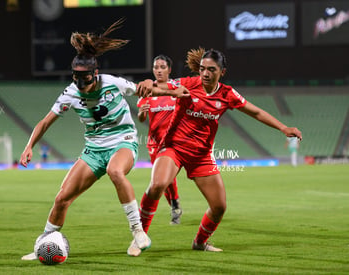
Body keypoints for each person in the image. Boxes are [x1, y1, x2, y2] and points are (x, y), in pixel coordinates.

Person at [19, 19, 164, 259]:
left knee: (115, 171)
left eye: (85, 78)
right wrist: (28, 146)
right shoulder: (70, 93)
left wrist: (171, 90)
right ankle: (42, 245)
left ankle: (138, 231)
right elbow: (45, 122)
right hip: (94, 149)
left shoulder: (112, 83)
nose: (81, 83)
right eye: (76, 77)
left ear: (95, 74)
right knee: (62, 198)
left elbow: (146, 89)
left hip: (123, 141)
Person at [136, 48, 302, 253]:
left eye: (211, 70)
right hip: (174, 147)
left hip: (201, 155)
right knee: (158, 184)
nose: (205, 73)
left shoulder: (227, 94)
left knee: (219, 206)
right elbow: (161, 85)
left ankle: (200, 243)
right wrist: (147, 84)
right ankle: (139, 237)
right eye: (202, 69)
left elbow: (256, 112)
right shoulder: (188, 83)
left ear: (222, 72)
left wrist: (284, 128)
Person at [137, 54, 183, 225]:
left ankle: (175, 205)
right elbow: (142, 118)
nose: (158, 70)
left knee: (168, 177)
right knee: (160, 181)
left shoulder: (176, 89)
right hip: (154, 143)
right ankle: (175, 205)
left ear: (169, 70)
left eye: (162, 67)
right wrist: (142, 112)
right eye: (156, 67)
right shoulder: (148, 91)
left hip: (172, 142)